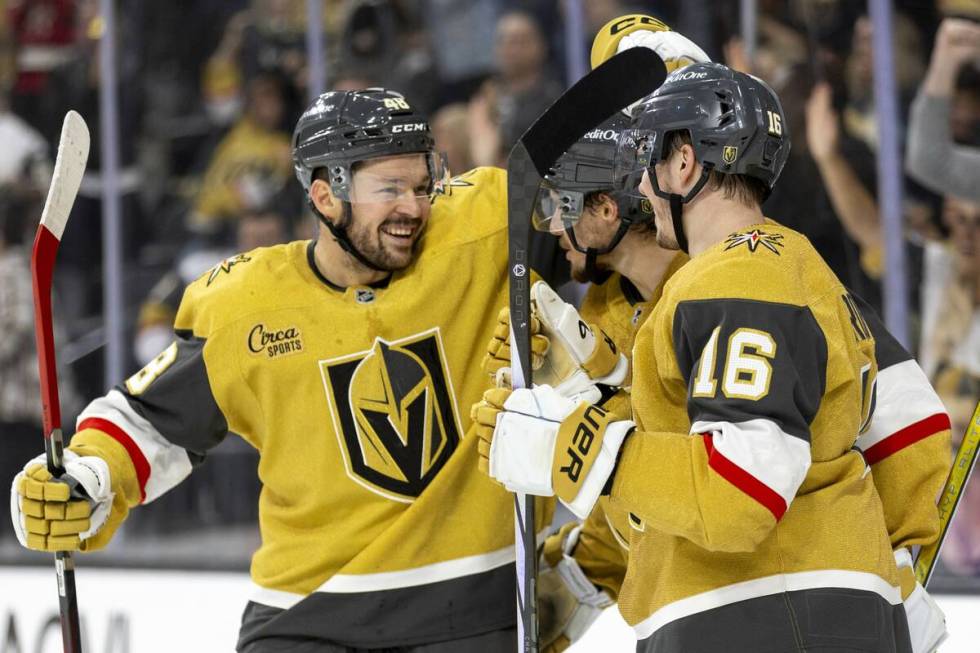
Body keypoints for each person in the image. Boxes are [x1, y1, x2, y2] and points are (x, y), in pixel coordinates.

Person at [10, 87, 560, 653]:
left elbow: (604, 229)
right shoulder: (246, 306)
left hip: (469, 612)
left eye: (422, 186)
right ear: (326, 196)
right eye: (389, 189)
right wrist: (86, 477)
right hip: (302, 616)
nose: (414, 207)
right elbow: (149, 422)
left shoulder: (483, 230)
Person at [476, 62, 944, 652]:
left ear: (683, 162)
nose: (641, 187)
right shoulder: (792, 266)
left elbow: (739, 494)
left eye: (650, 160)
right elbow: (902, 423)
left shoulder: (735, 279)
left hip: (768, 613)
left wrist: (572, 444)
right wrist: (592, 393)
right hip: (786, 608)